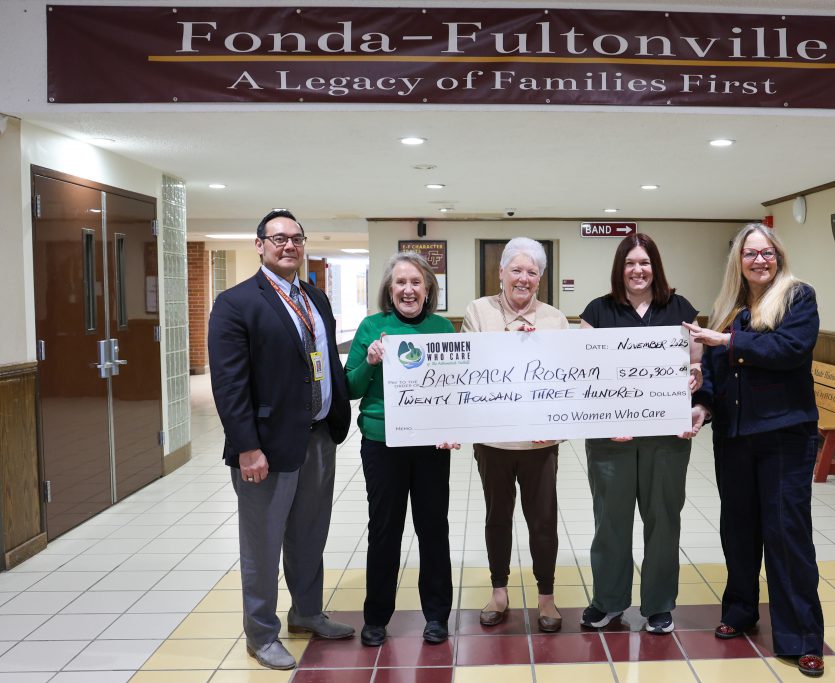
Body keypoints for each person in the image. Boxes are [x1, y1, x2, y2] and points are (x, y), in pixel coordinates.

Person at [208, 209, 354, 671]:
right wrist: (247, 447)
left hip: (318, 437)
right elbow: (229, 385)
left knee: (310, 534)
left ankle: (306, 612)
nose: (289, 245)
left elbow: (325, 361)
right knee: (263, 544)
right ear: (260, 245)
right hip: (266, 447)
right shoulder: (235, 303)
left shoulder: (315, 299)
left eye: (296, 238)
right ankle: (261, 634)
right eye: (278, 238)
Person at [685, 223, 825, 678]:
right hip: (735, 437)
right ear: (738, 261)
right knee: (739, 530)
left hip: (785, 436)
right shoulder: (727, 306)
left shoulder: (798, 297)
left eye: (766, 253)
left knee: (787, 534)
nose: (759, 260)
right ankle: (741, 610)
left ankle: (802, 637)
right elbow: (714, 371)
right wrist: (703, 405)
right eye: (750, 254)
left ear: (778, 257)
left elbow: (790, 348)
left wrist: (728, 342)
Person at [578, 233, 702, 635]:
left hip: (666, 439)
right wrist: (603, 419)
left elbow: (697, 365)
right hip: (609, 438)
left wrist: (696, 377)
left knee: (663, 519)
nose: (637, 270)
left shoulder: (680, 310)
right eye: (630, 263)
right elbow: (580, 373)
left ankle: (659, 605)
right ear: (620, 268)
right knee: (610, 521)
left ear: (655, 267)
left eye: (644, 263)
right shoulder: (597, 311)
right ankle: (608, 601)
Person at [346, 252, 455, 647]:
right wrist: (370, 361)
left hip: (430, 445)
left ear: (428, 290)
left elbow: (458, 389)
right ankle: (376, 617)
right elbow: (351, 388)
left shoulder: (443, 328)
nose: (408, 290)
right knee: (385, 529)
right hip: (383, 444)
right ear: (389, 290)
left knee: (433, 528)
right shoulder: (371, 327)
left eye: (416, 283)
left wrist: (455, 426)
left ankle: (437, 616)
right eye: (401, 283)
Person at [461, 237, 569, 633]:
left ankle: (546, 596)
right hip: (494, 440)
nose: (523, 278)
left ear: (540, 279)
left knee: (543, 520)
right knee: (497, 517)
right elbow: (471, 367)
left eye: (532, 272)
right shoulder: (478, 311)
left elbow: (567, 379)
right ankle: (499, 592)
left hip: (541, 442)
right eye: (516, 270)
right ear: (501, 273)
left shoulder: (556, 319)